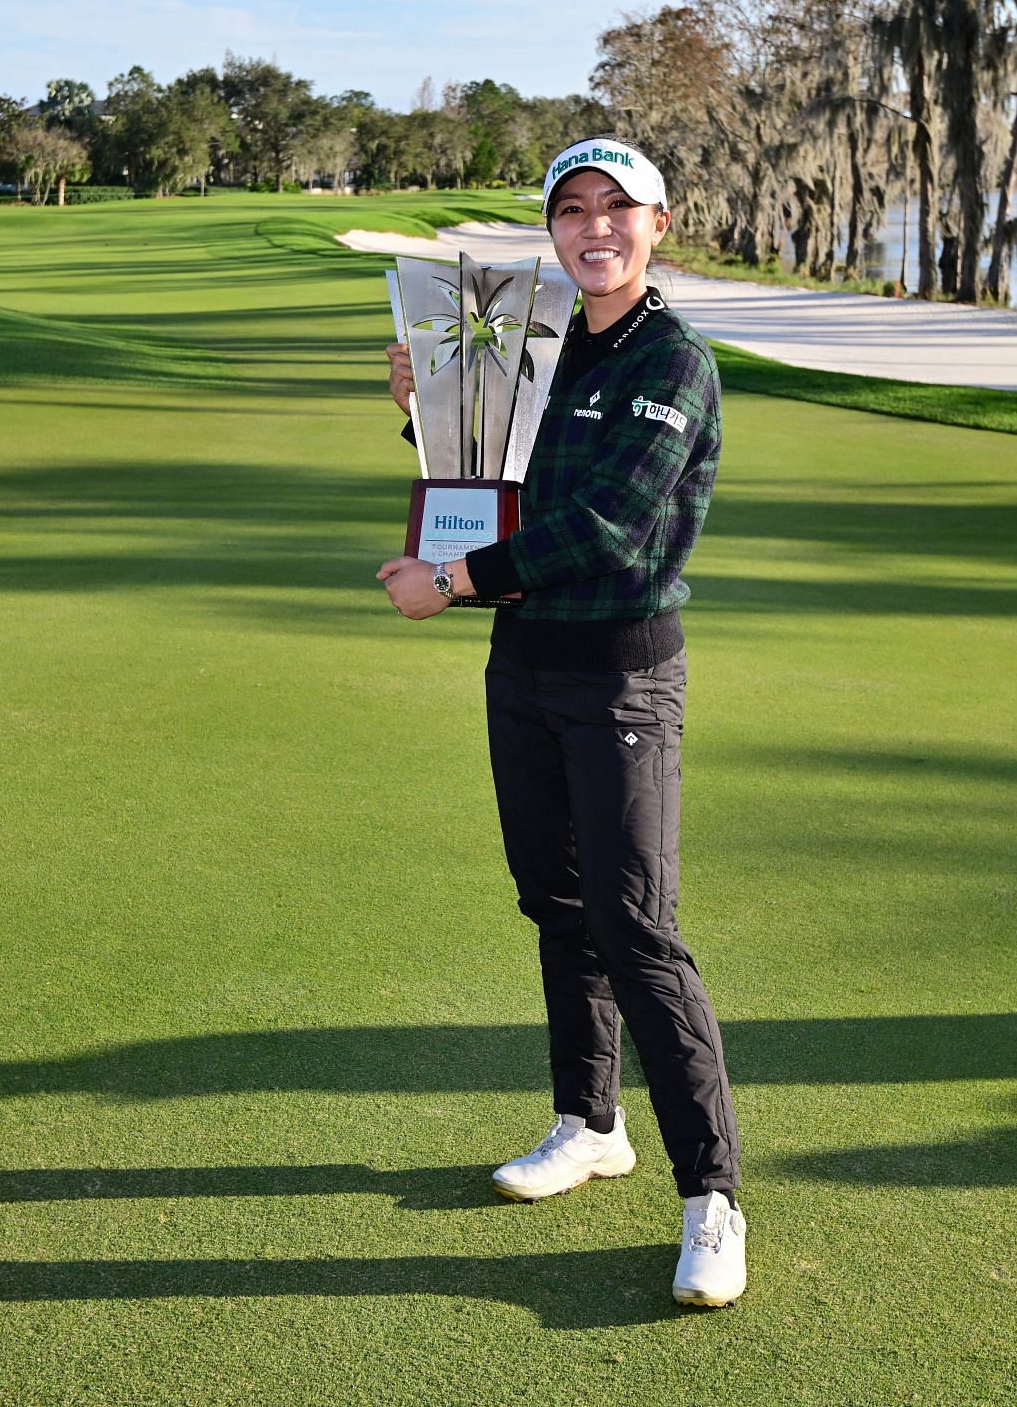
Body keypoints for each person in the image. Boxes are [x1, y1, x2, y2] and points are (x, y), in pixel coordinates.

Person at [376, 138, 745, 1308]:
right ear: (552, 229)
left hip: (622, 673)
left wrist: (455, 581)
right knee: (559, 906)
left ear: (659, 226)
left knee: (639, 931)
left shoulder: (673, 360)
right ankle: (589, 1123)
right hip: (524, 663)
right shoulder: (536, 352)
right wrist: (422, 411)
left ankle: (714, 1198)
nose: (595, 228)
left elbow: (613, 527)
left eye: (617, 210)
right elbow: (501, 483)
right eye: (572, 210)